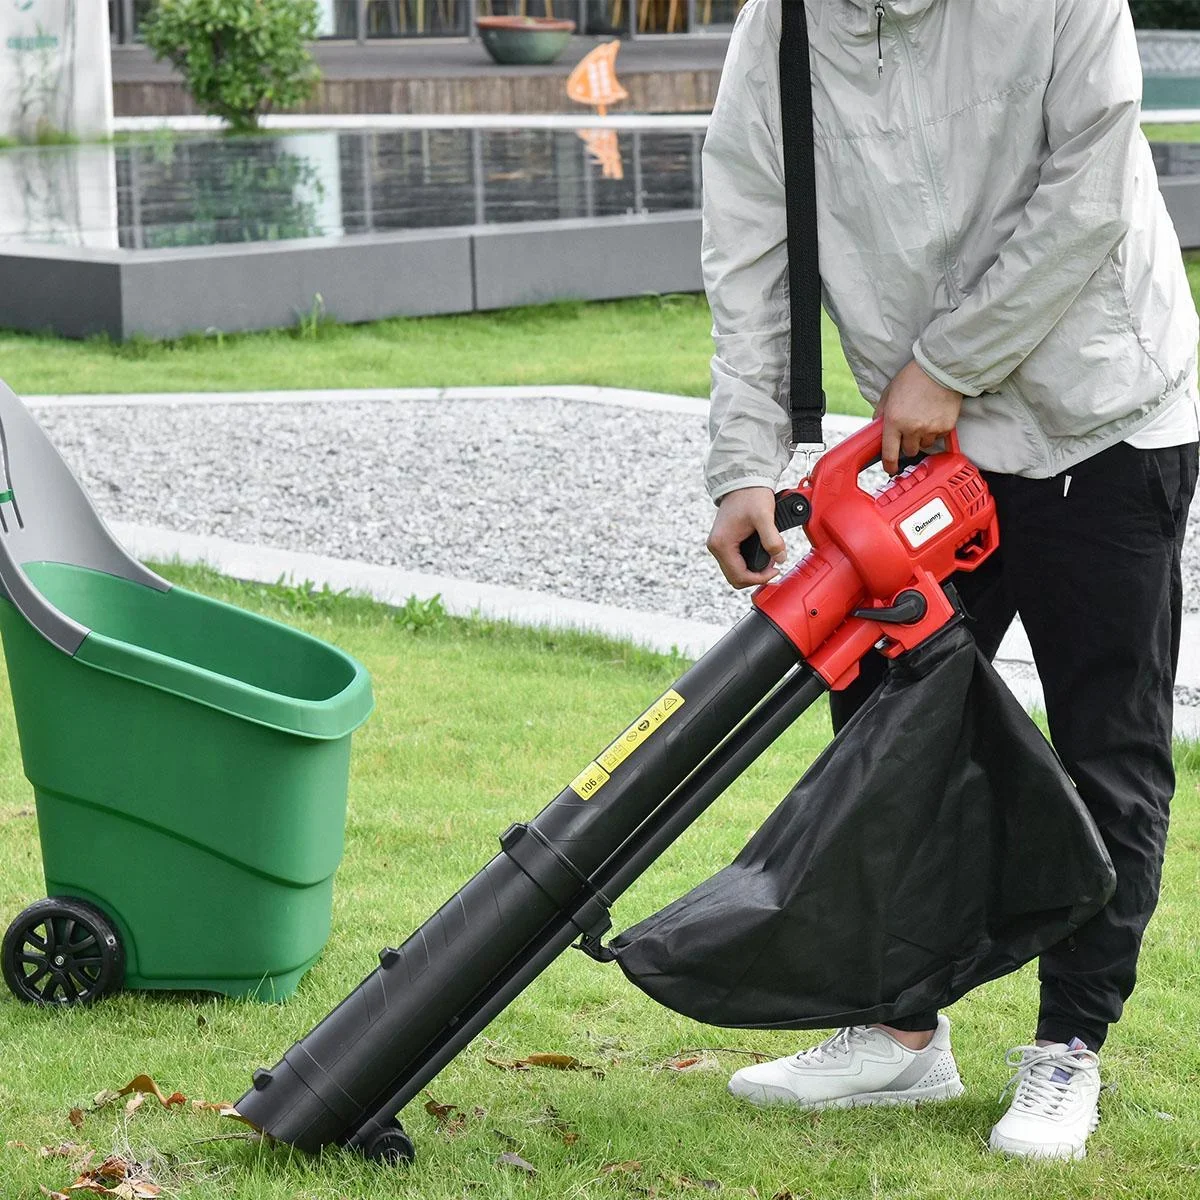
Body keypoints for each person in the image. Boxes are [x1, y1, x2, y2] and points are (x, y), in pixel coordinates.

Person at [702, 0, 1199, 1162]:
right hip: (921, 458)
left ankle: (1070, 1046)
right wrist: (741, 463)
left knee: (1105, 748)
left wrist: (946, 362)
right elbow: (749, 240)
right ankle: (900, 1032)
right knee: (889, 742)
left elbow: (1088, 192)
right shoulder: (778, 29)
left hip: (1102, 419)